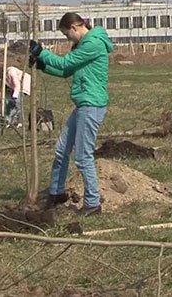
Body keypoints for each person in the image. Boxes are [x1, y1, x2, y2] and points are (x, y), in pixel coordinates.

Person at [29, 12, 113, 217]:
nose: (68, 39)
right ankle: (57, 193)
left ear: (75, 28)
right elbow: (67, 71)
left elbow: (66, 63)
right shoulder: (85, 45)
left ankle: (93, 203)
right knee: (61, 149)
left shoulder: (93, 44)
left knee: (83, 157)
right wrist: (43, 66)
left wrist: (41, 52)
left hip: (91, 105)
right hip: (83, 103)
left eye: (67, 35)